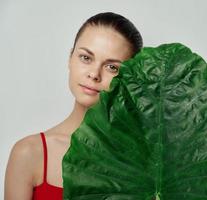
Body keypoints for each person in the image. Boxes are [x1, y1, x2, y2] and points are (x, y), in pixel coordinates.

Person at [4, 11, 143, 200]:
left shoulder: (144, 162)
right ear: (70, 58)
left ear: (129, 79)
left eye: (112, 67)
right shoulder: (29, 153)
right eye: (86, 57)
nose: (94, 74)